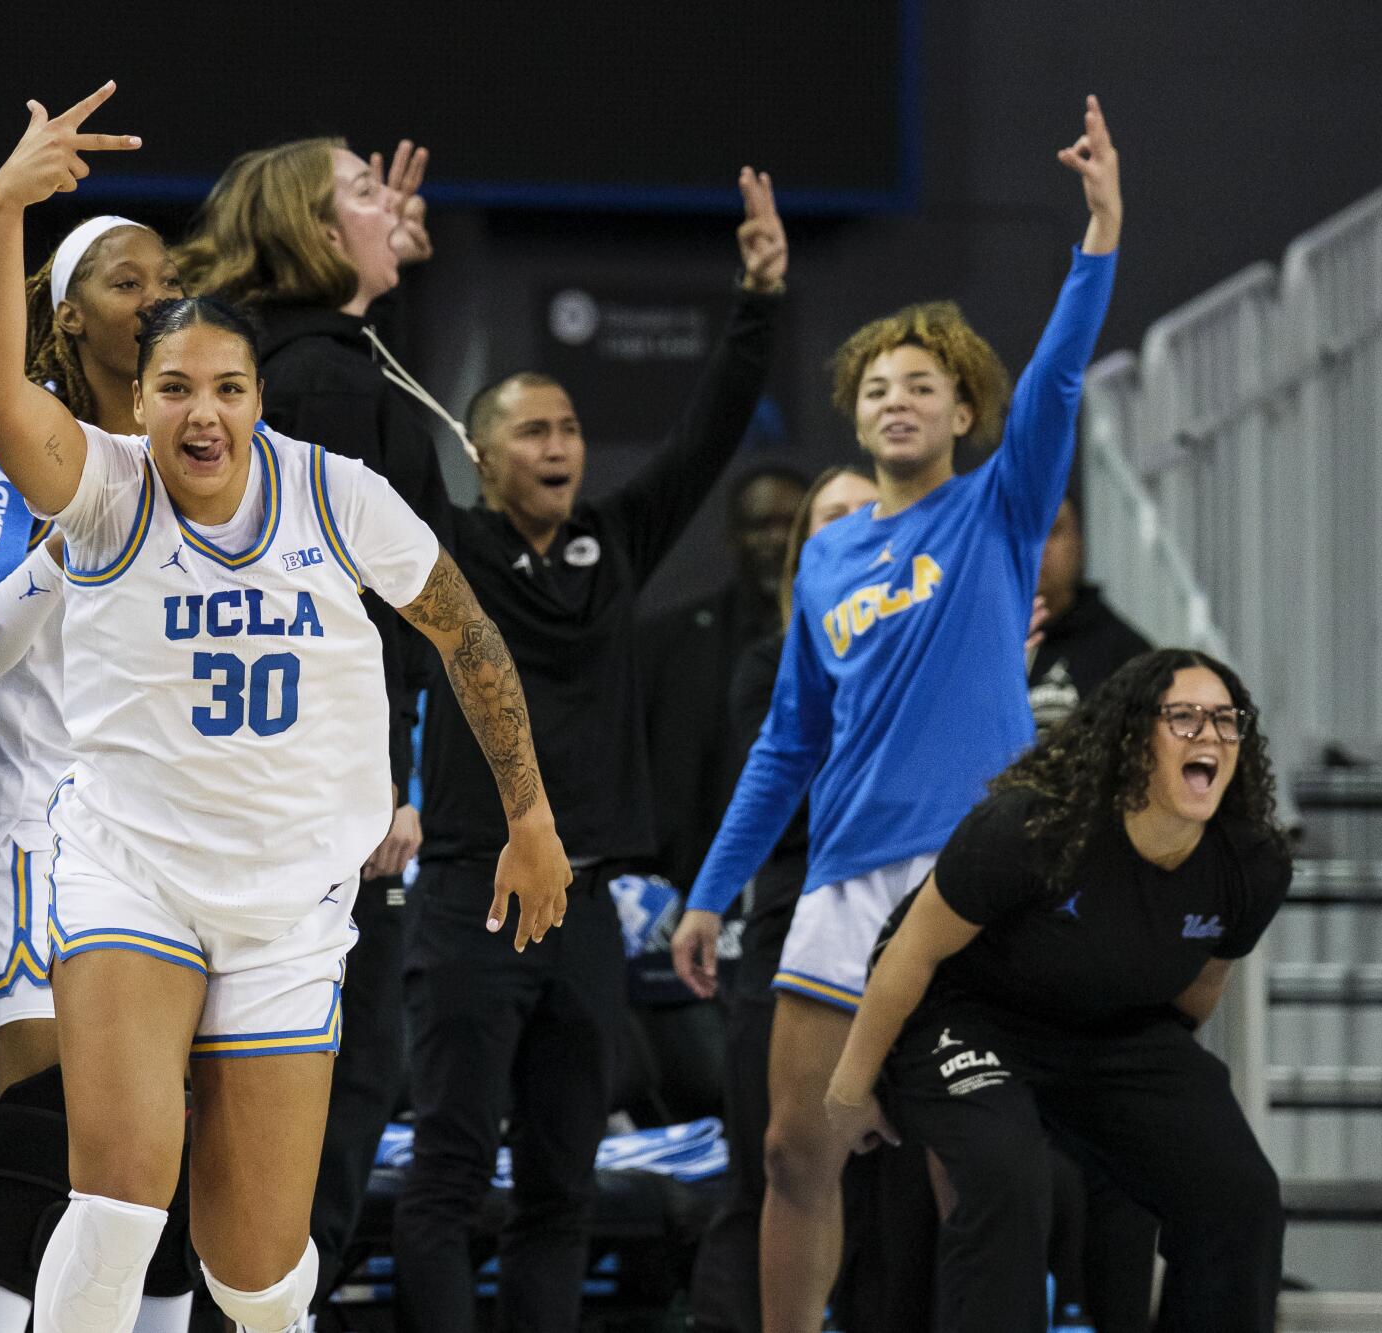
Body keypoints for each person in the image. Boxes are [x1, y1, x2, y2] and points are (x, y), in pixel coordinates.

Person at [0, 85, 570, 1333]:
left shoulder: (334, 493)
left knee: (251, 1273)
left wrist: (528, 817)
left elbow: (467, 634)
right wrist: (3, 207)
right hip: (132, 872)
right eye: (174, 385)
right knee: (124, 1196)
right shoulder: (104, 491)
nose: (203, 412)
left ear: (256, 398)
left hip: (291, 899)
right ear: (136, 400)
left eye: (228, 388)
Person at [673, 97, 1122, 1333]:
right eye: (875, 387)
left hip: (971, 873)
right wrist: (711, 890)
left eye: (920, 384)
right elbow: (787, 741)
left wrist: (1098, 233)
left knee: (965, 1160)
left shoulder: (996, 510)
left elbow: (1058, 372)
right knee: (789, 1151)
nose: (894, 400)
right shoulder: (825, 558)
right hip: (841, 882)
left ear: (963, 413)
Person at [396, 167, 787, 1333]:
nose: (559, 445)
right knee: (449, 1178)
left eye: (568, 427)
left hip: (582, 913)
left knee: (560, 1186)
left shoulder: (613, 544)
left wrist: (758, 299)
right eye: (532, 429)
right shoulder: (439, 549)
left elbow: (707, 432)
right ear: (480, 453)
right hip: (467, 892)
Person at [174, 133, 448, 1309]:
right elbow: (324, 600)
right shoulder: (327, 378)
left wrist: (384, 267)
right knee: (323, 1115)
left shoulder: (301, 359)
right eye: (363, 192)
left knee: (272, 1122)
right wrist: (377, 774)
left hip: (261, 792)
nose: (391, 202)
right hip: (314, 807)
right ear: (313, 229)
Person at [825, 650, 1290, 1332]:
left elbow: (1198, 992)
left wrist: (1131, 1114)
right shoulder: (1032, 827)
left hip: (1110, 1031)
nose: (1209, 736)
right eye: (1184, 718)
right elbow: (910, 954)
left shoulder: (1250, 864)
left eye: (1225, 721)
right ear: (1135, 738)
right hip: (966, 1015)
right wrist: (848, 1092)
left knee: (1240, 1196)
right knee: (1008, 1179)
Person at [0, 214, 196, 1333]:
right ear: (68, 312)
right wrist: (55, 556)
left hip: (178, 851)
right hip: (46, 836)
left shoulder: (204, 454)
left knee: (163, 1144)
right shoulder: (17, 452)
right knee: (52, 1129)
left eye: (168, 281)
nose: (152, 297)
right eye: (124, 280)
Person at [685, 464, 875, 1333]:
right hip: (792, 926)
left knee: (897, 1186)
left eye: (866, 515)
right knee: (771, 1166)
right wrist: (708, 897)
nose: (847, 531)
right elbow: (778, 784)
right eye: (828, 519)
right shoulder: (772, 660)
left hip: (911, 931)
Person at [641, 462, 808, 889]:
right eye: (760, 525)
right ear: (733, 536)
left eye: (791, 525)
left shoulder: (857, 642)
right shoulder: (672, 643)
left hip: (809, 873)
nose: (776, 540)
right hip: (689, 882)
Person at [1030, 496, 1152, 731]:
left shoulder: (1125, 653)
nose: (1040, 548)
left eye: (1053, 531)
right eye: (1028, 534)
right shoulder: (984, 642)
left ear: (1079, 544)